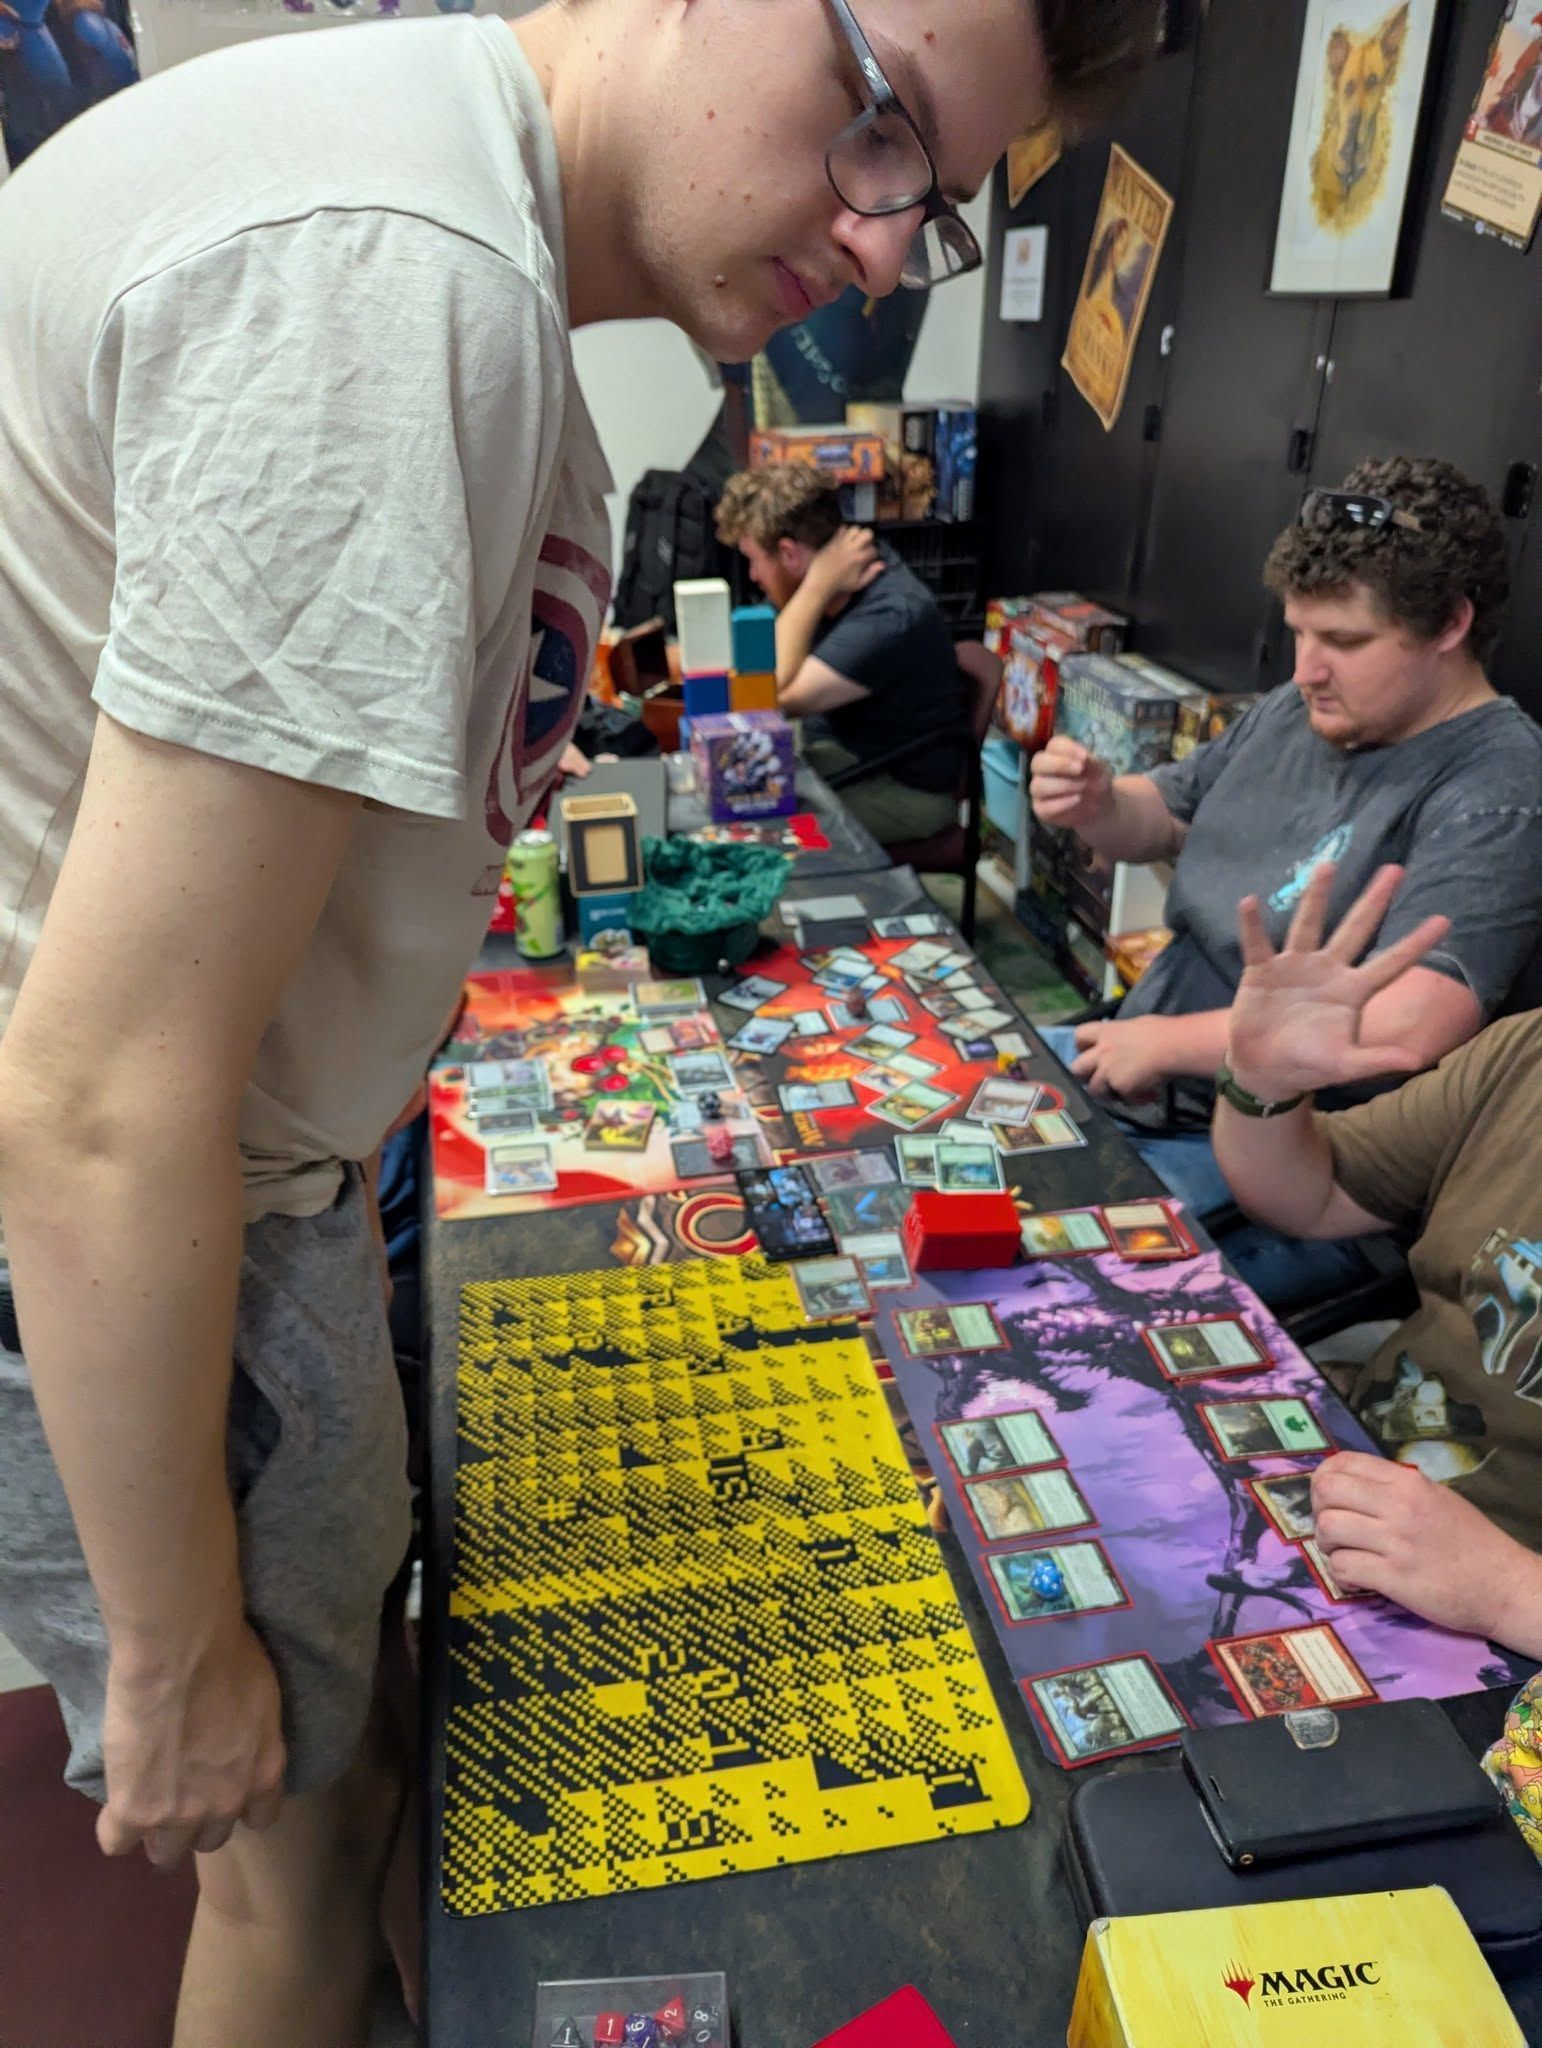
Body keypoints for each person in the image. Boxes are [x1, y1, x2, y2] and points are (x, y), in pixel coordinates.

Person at [0, 0, 1157, 2039]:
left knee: (359, 1787)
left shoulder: (469, 258)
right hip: (157, 1241)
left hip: (262, 1201)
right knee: (280, 1853)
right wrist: (175, 1646)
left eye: (946, 199)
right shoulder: (398, 264)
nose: (887, 242)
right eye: (875, 121)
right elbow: (97, 1096)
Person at [1029, 454, 1542, 1311]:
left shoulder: (1498, 791)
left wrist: (1170, 1043)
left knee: (1041, 1283)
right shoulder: (1295, 711)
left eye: (1343, 640)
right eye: (1299, 631)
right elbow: (1156, 818)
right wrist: (1095, 802)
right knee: (930, 1117)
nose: (1305, 667)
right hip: (1138, 1066)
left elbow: (1409, 1028)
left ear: (1451, 624)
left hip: (1297, 1159)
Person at [1212, 859, 1542, 1657]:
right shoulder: (1528, 1055)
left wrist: (1508, 1591)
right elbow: (1308, 1197)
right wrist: (1261, 1083)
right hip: (1358, 1473)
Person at [715, 461, 968, 846]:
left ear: (789, 554)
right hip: (845, 757)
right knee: (726, 786)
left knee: (750, 826)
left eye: (754, 559)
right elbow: (749, 666)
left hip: (903, 794)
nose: (752, 575)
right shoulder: (816, 582)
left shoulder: (889, 614)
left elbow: (767, 698)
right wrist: (815, 586)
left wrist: (815, 587)